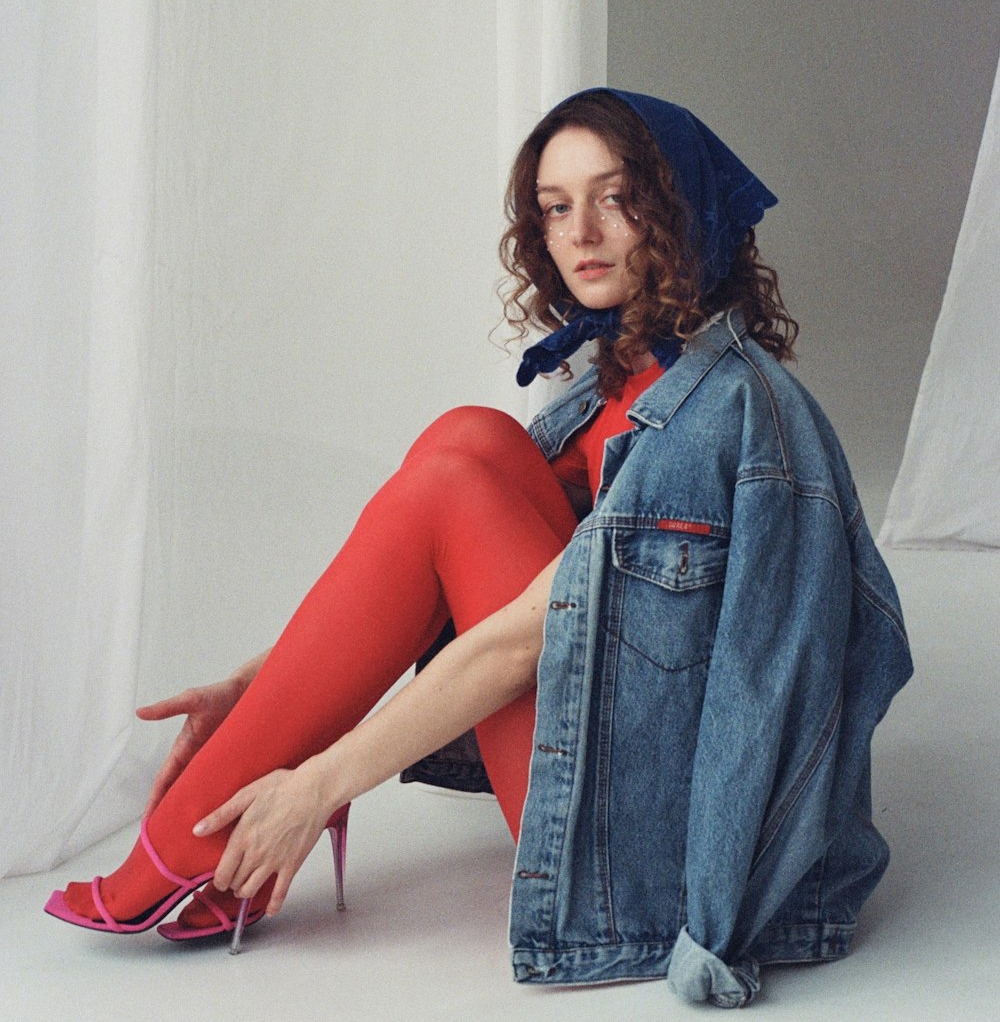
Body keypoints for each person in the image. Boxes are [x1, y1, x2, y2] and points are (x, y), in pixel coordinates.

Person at [44, 89, 912, 1008]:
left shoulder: (723, 417)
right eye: (555, 205)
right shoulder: (606, 387)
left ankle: (181, 856)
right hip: (613, 765)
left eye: (615, 198)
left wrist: (317, 780)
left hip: (664, 852)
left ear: (680, 206)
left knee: (455, 479)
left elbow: (523, 635)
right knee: (473, 436)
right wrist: (258, 689)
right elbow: (442, 587)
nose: (580, 232)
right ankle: (201, 839)